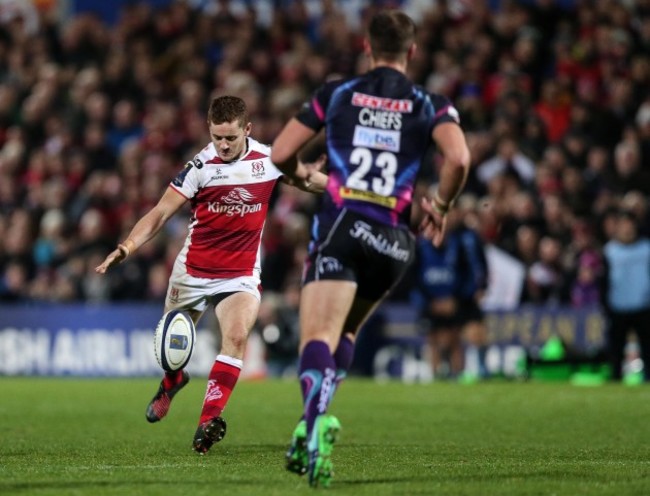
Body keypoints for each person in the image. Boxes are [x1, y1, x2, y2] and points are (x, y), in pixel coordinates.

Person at [270, 9, 471, 487]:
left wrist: (302, 176)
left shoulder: (337, 94)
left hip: (344, 224)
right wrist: (440, 206)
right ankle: (311, 423)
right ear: (412, 52)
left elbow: (279, 154)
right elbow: (459, 157)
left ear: (367, 47)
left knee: (316, 336)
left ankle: (313, 426)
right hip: (395, 241)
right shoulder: (429, 102)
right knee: (347, 333)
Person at [95, 95, 326, 454]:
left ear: (247, 130)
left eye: (230, 137)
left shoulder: (268, 160)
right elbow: (159, 214)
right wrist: (126, 246)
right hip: (192, 271)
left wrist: (351, 193)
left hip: (240, 275)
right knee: (172, 350)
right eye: (217, 136)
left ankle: (207, 422)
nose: (222, 144)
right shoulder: (200, 167)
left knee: (235, 337)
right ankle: (172, 381)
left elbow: (308, 182)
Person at [413, 201, 489, 381]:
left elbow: (472, 275)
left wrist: (458, 300)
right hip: (432, 304)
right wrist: (430, 303)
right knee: (437, 340)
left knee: (466, 335)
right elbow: (413, 282)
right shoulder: (420, 247)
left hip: (459, 302)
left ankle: (474, 372)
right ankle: (436, 376)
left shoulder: (464, 242)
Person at [601, 209, 650, 382]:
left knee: (647, 346)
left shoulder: (646, 248)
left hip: (643, 305)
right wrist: (605, 305)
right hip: (618, 306)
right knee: (616, 348)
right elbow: (604, 280)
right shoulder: (609, 251)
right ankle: (616, 377)